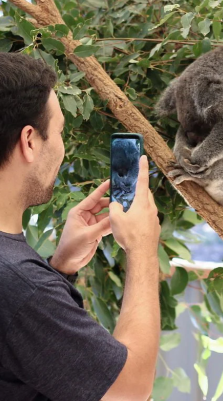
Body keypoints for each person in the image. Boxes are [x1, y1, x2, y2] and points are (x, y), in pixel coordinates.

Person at [0, 52, 161, 401]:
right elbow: (130, 389)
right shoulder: (19, 285)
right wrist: (143, 247)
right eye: (58, 132)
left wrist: (60, 268)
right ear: (29, 141)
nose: (61, 146)